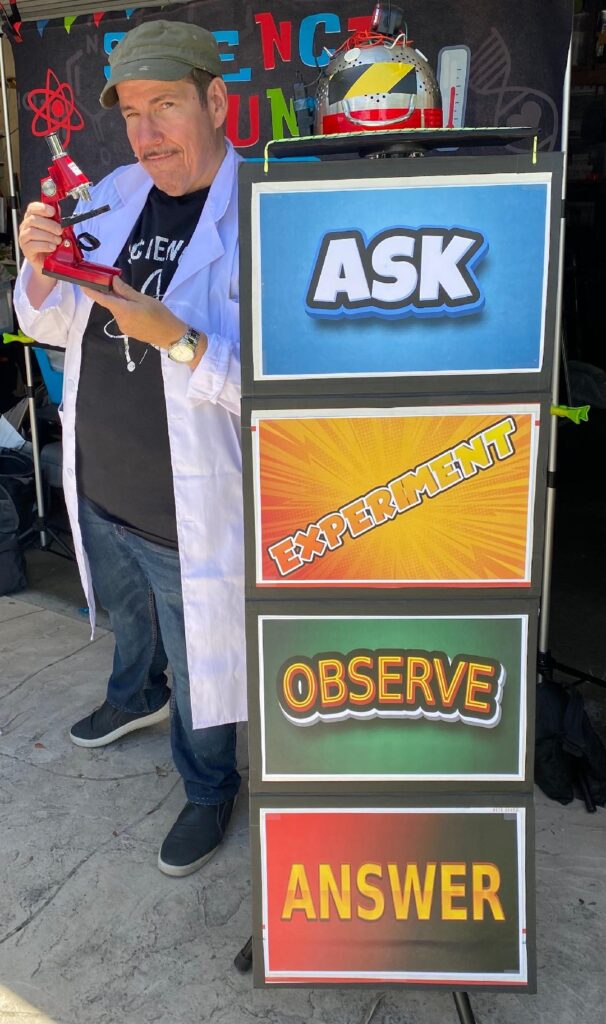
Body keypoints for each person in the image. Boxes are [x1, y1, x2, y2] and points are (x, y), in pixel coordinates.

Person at [14, 19, 246, 877]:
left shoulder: (261, 215)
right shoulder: (111, 192)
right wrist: (40, 262)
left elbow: (278, 391)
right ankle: (133, 696)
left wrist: (176, 337)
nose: (147, 135)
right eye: (133, 113)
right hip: (102, 478)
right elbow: (49, 316)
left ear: (217, 102)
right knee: (131, 615)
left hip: (186, 504)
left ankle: (209, 782)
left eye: (167, 107)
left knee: (200, 654)